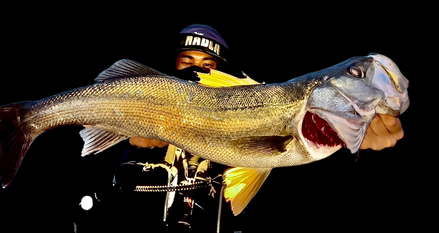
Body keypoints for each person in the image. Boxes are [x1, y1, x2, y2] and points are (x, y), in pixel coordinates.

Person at [73, 24, 404, 232]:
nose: (197, 71)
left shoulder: (267, 101)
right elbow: (90, 175)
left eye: (208, 66)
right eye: (186, 63)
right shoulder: (141, 105)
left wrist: (359, 141)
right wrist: (133, 141)